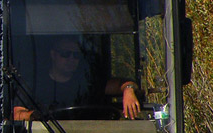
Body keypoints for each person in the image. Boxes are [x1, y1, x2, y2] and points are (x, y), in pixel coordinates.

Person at [12, 35, 141, 121]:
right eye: (66, 54)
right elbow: (17, 115)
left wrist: (128, 90)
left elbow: (123, 83)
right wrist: (34, 116)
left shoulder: (88, 81)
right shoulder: (32, 83)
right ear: (53, 55)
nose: (71, 59)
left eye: (76, 56)